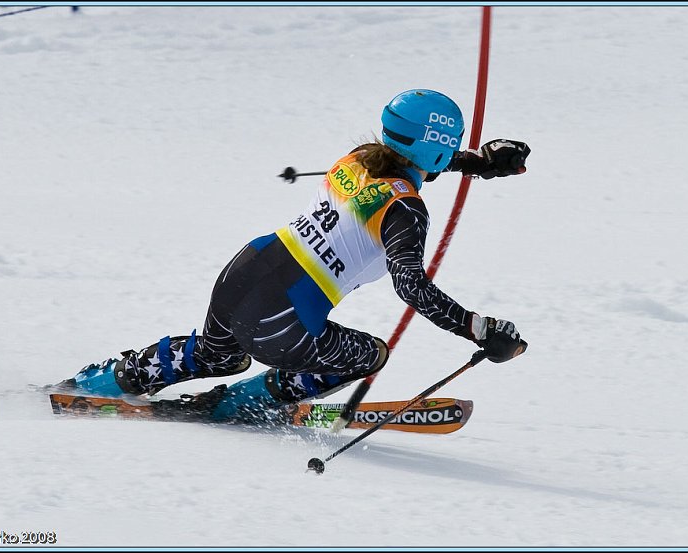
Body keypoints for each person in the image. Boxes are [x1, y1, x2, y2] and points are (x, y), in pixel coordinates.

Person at [63, 89, 531, 422]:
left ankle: (92, 385)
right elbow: (411, 286)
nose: (453, 153)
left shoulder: (362, 157)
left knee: (216, 354)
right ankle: (237, 407)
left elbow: (418, 157)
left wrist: (481, 163)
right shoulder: (406, 210)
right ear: (436, 144)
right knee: (369, 355)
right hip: (282, 316)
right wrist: (479, 329)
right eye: (451, 144)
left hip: (243, 272)